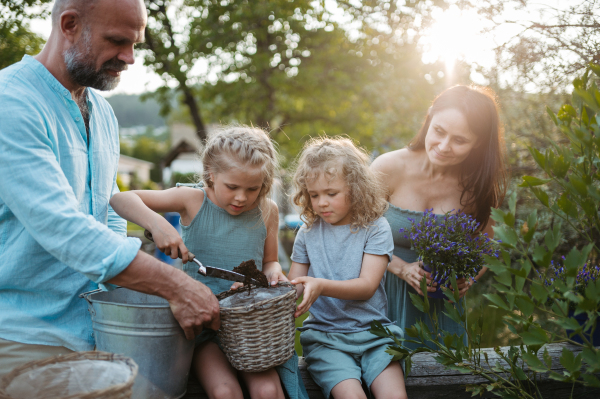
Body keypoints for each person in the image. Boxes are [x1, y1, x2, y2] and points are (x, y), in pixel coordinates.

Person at [0, 0, 219, 377]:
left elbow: (105, 209)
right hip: (23, 336)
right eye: (118, 41)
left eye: (135, 44)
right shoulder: (11, 103)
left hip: (97, 332)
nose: (130, 57)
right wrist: (177, 287)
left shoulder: (101, 112)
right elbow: (62, 226)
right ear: (69, 24)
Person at [110, 125, 307, 399]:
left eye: (253, 188)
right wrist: (157, 224)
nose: (241, 197)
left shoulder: (266, 210)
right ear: (212, 174)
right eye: (232, 187)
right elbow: (120, 199)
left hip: (249, 327)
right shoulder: (192, 200)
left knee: (268, 390)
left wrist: (274, 276)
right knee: (225, 391)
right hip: (203, 325)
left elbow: (271, 262)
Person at [371, 85, 507, 350]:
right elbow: (355, 231)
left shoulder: (477, 187)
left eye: (460, 140)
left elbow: (488, 247)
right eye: (439, 131)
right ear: (429, 117)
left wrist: (468, 278)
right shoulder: (388, 168)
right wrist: (401, 268)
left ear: (478, 142)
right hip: (382, 298)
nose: (444, 147)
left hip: (441, 308)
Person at [288, 137, 407, 399]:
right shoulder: (307, 232)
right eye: (314, 194)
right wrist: (266, 287)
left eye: (331, 194)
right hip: (326, 339)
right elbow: (293, 288)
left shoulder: (375, 228)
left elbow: (366, 287)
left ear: (355, 188)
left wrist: (319, 286)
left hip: (375, 335)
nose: (321, 203)